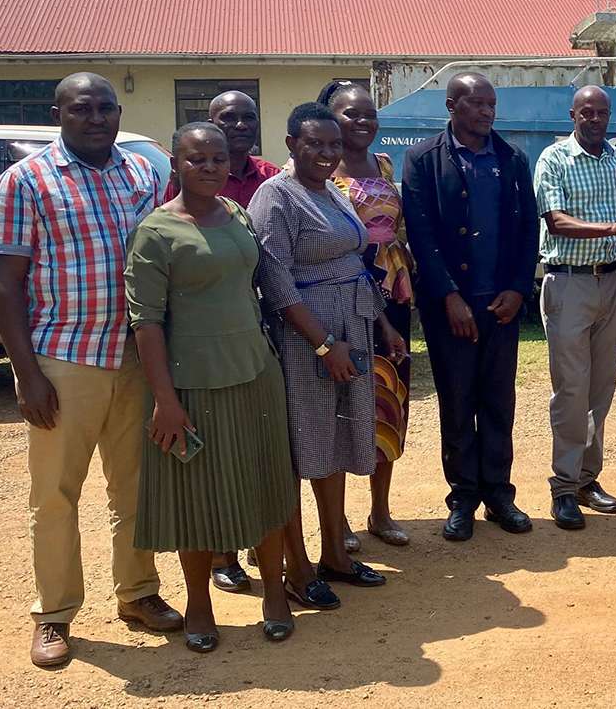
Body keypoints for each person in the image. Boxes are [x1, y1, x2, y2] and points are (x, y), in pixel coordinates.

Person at [0, 72, 183, 668]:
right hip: (63, 358)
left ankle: (139, 593)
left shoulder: (141, 174)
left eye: (105, 108)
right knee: (55, 493)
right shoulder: (24, 182)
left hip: (135, 356)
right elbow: (3, 282)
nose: (95, 118)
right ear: (59, 114)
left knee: (137, 487)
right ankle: (55, 614)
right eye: (82, 109)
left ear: (119, 113)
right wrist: (27, 373)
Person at [125, 122, 297, 652]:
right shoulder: (155, 231)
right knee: (194, 495)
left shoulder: (239, 215)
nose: (209, 166)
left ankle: (274, 593)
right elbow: (146, 323)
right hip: (193, 384)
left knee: (267, 482)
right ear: (176, 164)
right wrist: (165, 402)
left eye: (218, 158)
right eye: (196, 158)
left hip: (254, 373)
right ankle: (199, 602)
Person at [249, 102, 407, 605]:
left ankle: (336, 554)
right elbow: (275, 281)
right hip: (306, 343)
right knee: (303, 448)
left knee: (338, 438)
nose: (325, 152)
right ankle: (297, 569)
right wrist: (322, 343)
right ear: (291, 144)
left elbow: (357, 264)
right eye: (314, 143)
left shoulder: (333, 192)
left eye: (332, 144)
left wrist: (381, 323)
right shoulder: (276, 197)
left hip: (352, 332)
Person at [401, 72, 538, 540]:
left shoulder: (512, 158)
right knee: (457, 404)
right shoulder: (422, 159)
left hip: (500, 303)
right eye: (476, 103)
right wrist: (449, 296)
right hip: (451, 308)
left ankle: (499, 494)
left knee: (499, 402)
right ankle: (462, 496)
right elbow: (420, 233)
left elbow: (527, 231)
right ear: (451, 105)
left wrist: (519, 289)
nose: (486, 112)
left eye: (491, 104)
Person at [160, 89, 278, 595]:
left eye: (247, 117)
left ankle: (262, 544)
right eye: (227, 118)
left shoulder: (268, 178)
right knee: (215, 452)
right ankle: (223, 556)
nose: (238, 125)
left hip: (255, 322)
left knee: (254, 447)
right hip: (199, 338)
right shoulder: (179, 192)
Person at [533, 84, 616, 530]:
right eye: (586, 112)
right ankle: (563, 486)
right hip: (569, 285)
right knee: (572, 389)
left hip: (612, 280)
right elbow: (554, 221)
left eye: (602, 113)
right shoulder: (553, 159)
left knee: (601, 390)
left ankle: (587, 480)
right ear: (573, 115)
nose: (594, 119)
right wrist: (612, 227)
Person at [321, 80, 415, 548]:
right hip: (342, 297)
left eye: (369, 114)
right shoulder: (315, 170)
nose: (362, 121)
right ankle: (337, 522)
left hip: (393, 294)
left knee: (390, 397)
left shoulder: (383, 163)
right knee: (341, 401)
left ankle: (380, 511)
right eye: (350, 113)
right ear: (329, 116)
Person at [161, 90, 280, 206]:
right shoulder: (192, 176)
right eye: (229, 117)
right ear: (212, 125)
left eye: (249, 117)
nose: (241, 125)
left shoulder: (272, 176)